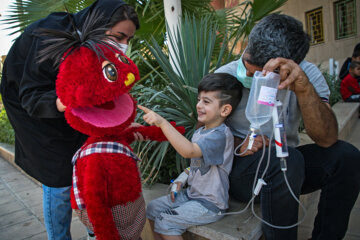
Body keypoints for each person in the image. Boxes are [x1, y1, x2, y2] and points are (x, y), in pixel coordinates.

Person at [0, 0, 139, 239]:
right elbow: (32, 97)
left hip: (72, 107)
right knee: (59, 182)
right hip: (35, 114)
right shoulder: (46, 35)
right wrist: (69, 100)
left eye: (128, 39)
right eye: (120, 36)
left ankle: (93, 232)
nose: (124, 45)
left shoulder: (96, 44)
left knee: (86, 170)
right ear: (98, 24)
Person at [215, 14, 360, 240]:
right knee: (289, 160)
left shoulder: (306, 75)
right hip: (241, 169)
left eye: (259, 73)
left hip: (288, 165)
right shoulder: (225, 76)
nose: (250, 76)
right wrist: (236, 144)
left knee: (346, 157)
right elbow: (202, 135)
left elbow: (327, 138)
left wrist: (303, 90)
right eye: (247, 65)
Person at [138, 73, 243, 240]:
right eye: (199, 100)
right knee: (152, 208)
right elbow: (196, 163)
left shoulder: (220, 135)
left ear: (225, 109)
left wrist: (162, 123)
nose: (199, 105)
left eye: (206, 102)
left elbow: (189, 152)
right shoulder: (201, 132)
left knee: (166, 221)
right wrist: (181, 179)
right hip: (192, 194)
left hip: (210, 204)